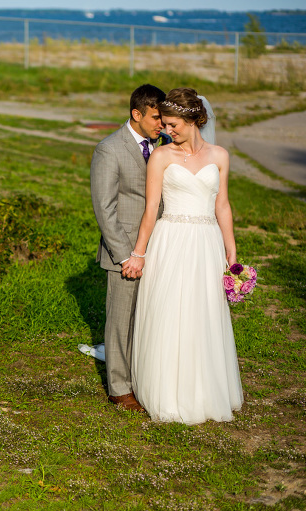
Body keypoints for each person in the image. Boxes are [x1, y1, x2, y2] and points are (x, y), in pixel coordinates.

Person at [124, 88, 244, 424]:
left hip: (206, 242)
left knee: (202, 311)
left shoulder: (220, 155)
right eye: (164, 124)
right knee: (171, 311)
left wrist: (230, 247)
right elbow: (151, 209)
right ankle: (168, 391)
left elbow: (222, 204)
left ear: (193, 119)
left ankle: (204, 390)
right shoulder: (161, 157)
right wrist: (139, 253)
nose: (167, 130)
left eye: (173, 124)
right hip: (171, 240)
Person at [90, 84, 171, 412]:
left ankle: (145, 378)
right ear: (136, 114)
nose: (161, 125)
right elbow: (104, 209)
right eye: (155, 118)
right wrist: (126, 256)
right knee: (122, 321)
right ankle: (119, 389)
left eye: (163, 118)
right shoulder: (109, 149)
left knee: (150, 318)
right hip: (124, 254)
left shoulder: (162, 145)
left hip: (162, 248)